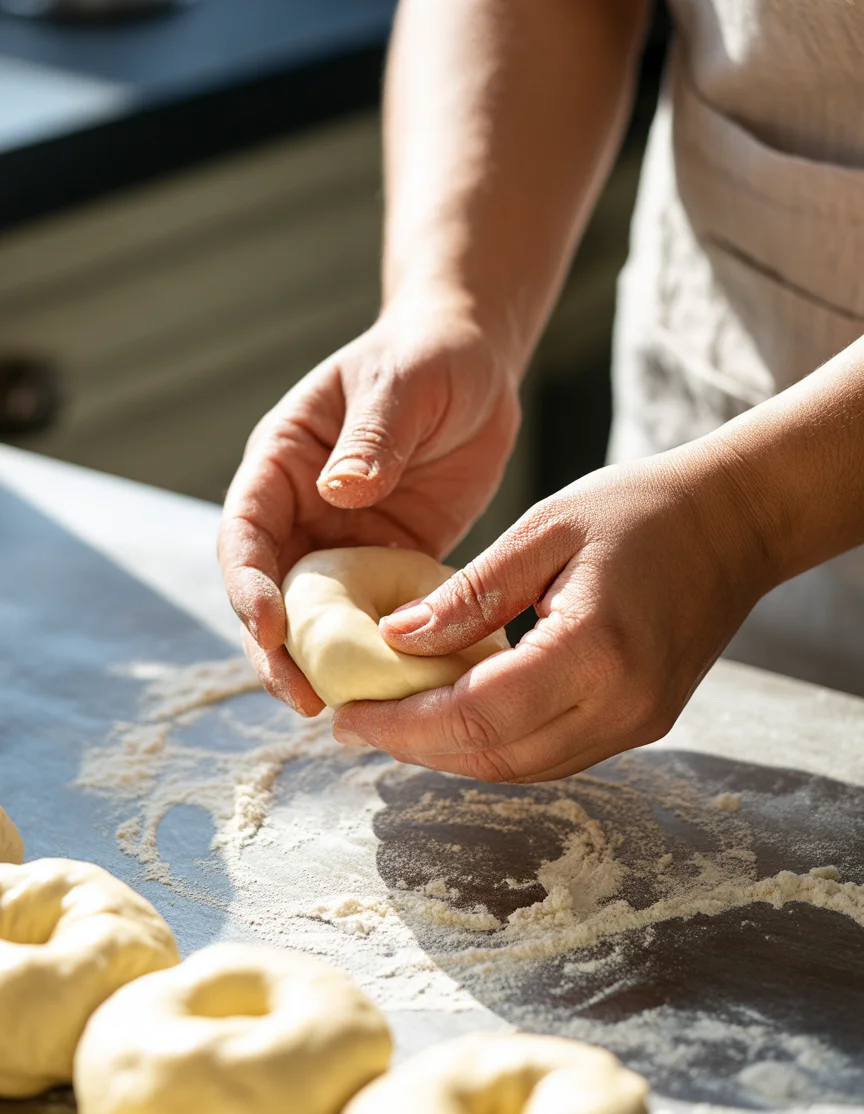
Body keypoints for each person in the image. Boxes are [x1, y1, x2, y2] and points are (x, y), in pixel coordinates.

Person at [218, 0, 864, 783]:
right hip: (713, 392)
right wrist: (452, 301)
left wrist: (742, 516)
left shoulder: (717, 520)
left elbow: (725, 517)